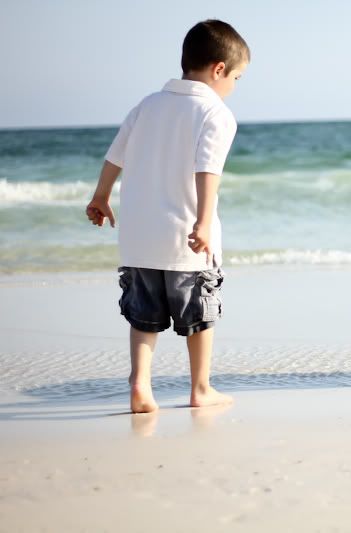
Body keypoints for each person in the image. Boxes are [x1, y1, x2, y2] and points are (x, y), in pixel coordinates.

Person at [85, 20, 250, 413]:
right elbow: (207, 169)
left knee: (143, 317)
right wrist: (204, 222)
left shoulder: (147, 105)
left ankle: (140, 386)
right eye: (238, 77)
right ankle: (200, 388)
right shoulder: (216, 113)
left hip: (140, 239)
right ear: (219, 69)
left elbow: (116, 155)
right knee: (199, 315)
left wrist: (101, 195)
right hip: (185, 239)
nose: (236, 86)